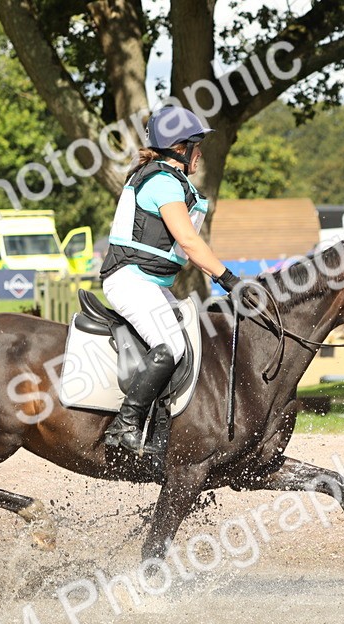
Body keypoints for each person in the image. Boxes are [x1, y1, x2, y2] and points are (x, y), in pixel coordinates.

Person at [99, 105, 240, 455]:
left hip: (150, 283)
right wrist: (231, 281)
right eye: (196, 144)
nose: (200, 153)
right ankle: (124, 426)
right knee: (172, 347)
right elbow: (190, 242)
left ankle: (164, 432)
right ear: (180, 148)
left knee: (191, 341)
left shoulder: (166, 178)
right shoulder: (162, 182)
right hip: (129, 280)